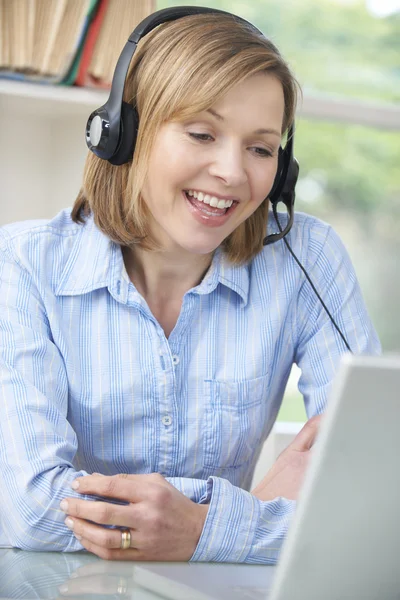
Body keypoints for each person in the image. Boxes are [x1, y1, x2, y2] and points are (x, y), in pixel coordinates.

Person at [0, 6, 380, 564]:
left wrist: (201, 528)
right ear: (122, 134)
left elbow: (369, 499)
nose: (232, 172)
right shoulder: (22, 264)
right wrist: (236, 519)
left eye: (261, 148)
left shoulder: (308, 257)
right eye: (202, 133)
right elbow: (30, 510)